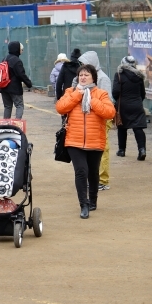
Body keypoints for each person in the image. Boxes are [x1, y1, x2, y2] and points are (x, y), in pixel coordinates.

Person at [56, 64, 116, 219]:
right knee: (81, 171)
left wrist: (92, 101)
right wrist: (78, 95)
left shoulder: (100, 94)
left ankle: (93, 199)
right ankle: (84, 204)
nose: (83, 77)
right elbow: (60, 107)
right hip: (74, 141)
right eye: (81, 75)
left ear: (93, 78)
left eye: (86, 75)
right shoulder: (71, 91)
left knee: (93, 173)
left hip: (95, 140)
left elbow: (110, 112)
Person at [74, 51, 114, 191]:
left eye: (85, 64)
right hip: (88, 118)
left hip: (101, 118)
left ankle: (102, 179)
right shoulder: (83, 79)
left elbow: (107, 102)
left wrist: (93, 101)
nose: (83, 70)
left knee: (102, 148)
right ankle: (93, 178)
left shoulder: (103, 79)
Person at [113, 55, 147, 161]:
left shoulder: (119, 74)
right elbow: (143, 93)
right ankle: (142, 150)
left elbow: (115, 92)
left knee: (122, 128)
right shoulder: (139, 76)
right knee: (138, 128)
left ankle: (121, 150)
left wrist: (118, 101)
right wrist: (137, 101)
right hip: (137, 105)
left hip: (123, 105)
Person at [0, 41, 32, 119]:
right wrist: (28, 83)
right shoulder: (17, 60)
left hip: (4, 87)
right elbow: (21, 74)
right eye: (21, 49)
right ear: (17, 49)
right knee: (19, 105)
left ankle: (6, 125)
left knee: (7, 107)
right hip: (14, 88)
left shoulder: (5, 58)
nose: (22, 51)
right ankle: (17, 123)